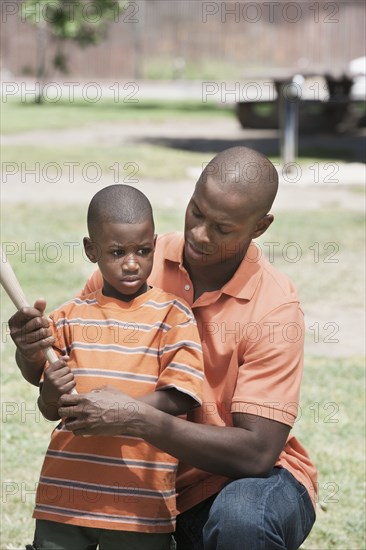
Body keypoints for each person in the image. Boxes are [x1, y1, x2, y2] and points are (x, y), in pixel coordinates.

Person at [10, 147, 317, 550]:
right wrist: (31, 351)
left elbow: (257, 454)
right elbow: (62, 380)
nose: (199, 234)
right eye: (196, 211)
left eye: (222, 228)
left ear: (260, 227)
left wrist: (139, 418)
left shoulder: (275, 308)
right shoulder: (137, 257)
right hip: (150, 486)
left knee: (242, 521)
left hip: (240, 482)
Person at [18, 185, 204, 550]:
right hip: (65, 498)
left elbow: (180, 397)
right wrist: (46, 382)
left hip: (140, 504)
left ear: (154, 243)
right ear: (92, 250)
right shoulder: (69, 317)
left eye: (143, 250)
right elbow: (47, 407)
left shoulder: (173, 316)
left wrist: (123, 411)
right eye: (117, 252)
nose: (132, 262)